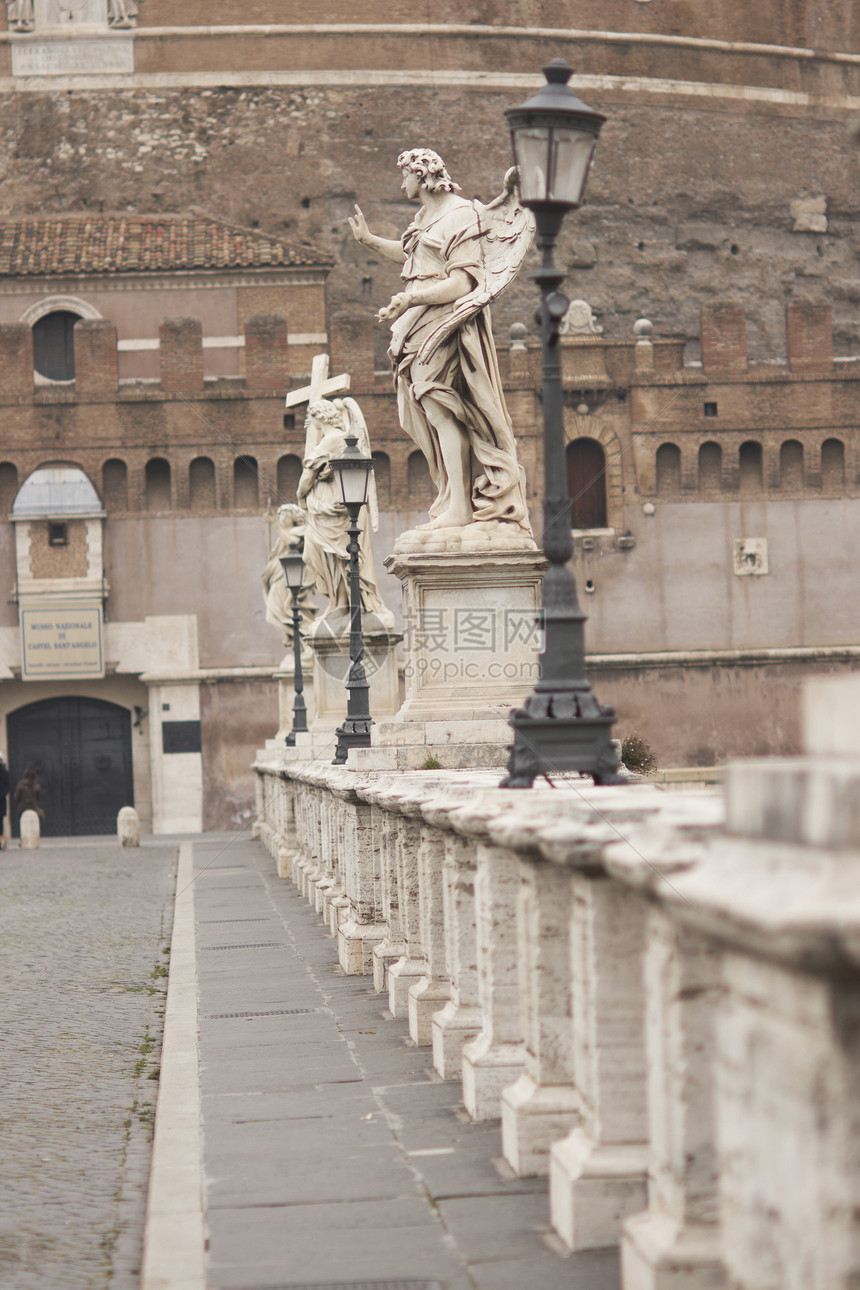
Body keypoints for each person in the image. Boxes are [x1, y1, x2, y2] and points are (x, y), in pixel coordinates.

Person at [348, 148, 533, 537]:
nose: (402, 184)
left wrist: (409, 299)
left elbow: (464, 283)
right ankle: (452, 498)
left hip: (444, 324)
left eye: (405, 176)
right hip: (418, 322)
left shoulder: (463, 214)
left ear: (422, 174)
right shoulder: (424, 217)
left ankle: (462, 507)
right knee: (430, 415)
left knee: (442, 410)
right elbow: (414, 255)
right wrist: (368, 241)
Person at [296, 397, 392, 624]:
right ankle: (340, 604)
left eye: (309, 417)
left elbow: (308, 475)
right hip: (334, 504)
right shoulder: (341, 437)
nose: (307, 423)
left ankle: (344, 605)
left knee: (330, 554)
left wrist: (300, 497)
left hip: (332, 505)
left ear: (319, 416)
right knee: (327, 554)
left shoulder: (332, 439)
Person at [14, 767, 42, 837]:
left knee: (22, 823)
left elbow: (16, 797)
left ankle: (22, 838)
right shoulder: (37, 786)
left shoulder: (21, 785)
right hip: (33, 807)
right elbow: (38, 798)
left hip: (23, 807)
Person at [0, 753, 9, 849]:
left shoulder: (5, 773)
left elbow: (7, 786)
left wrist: (2, 794)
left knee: (0, 822)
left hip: (1, 801)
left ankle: (1, 842)